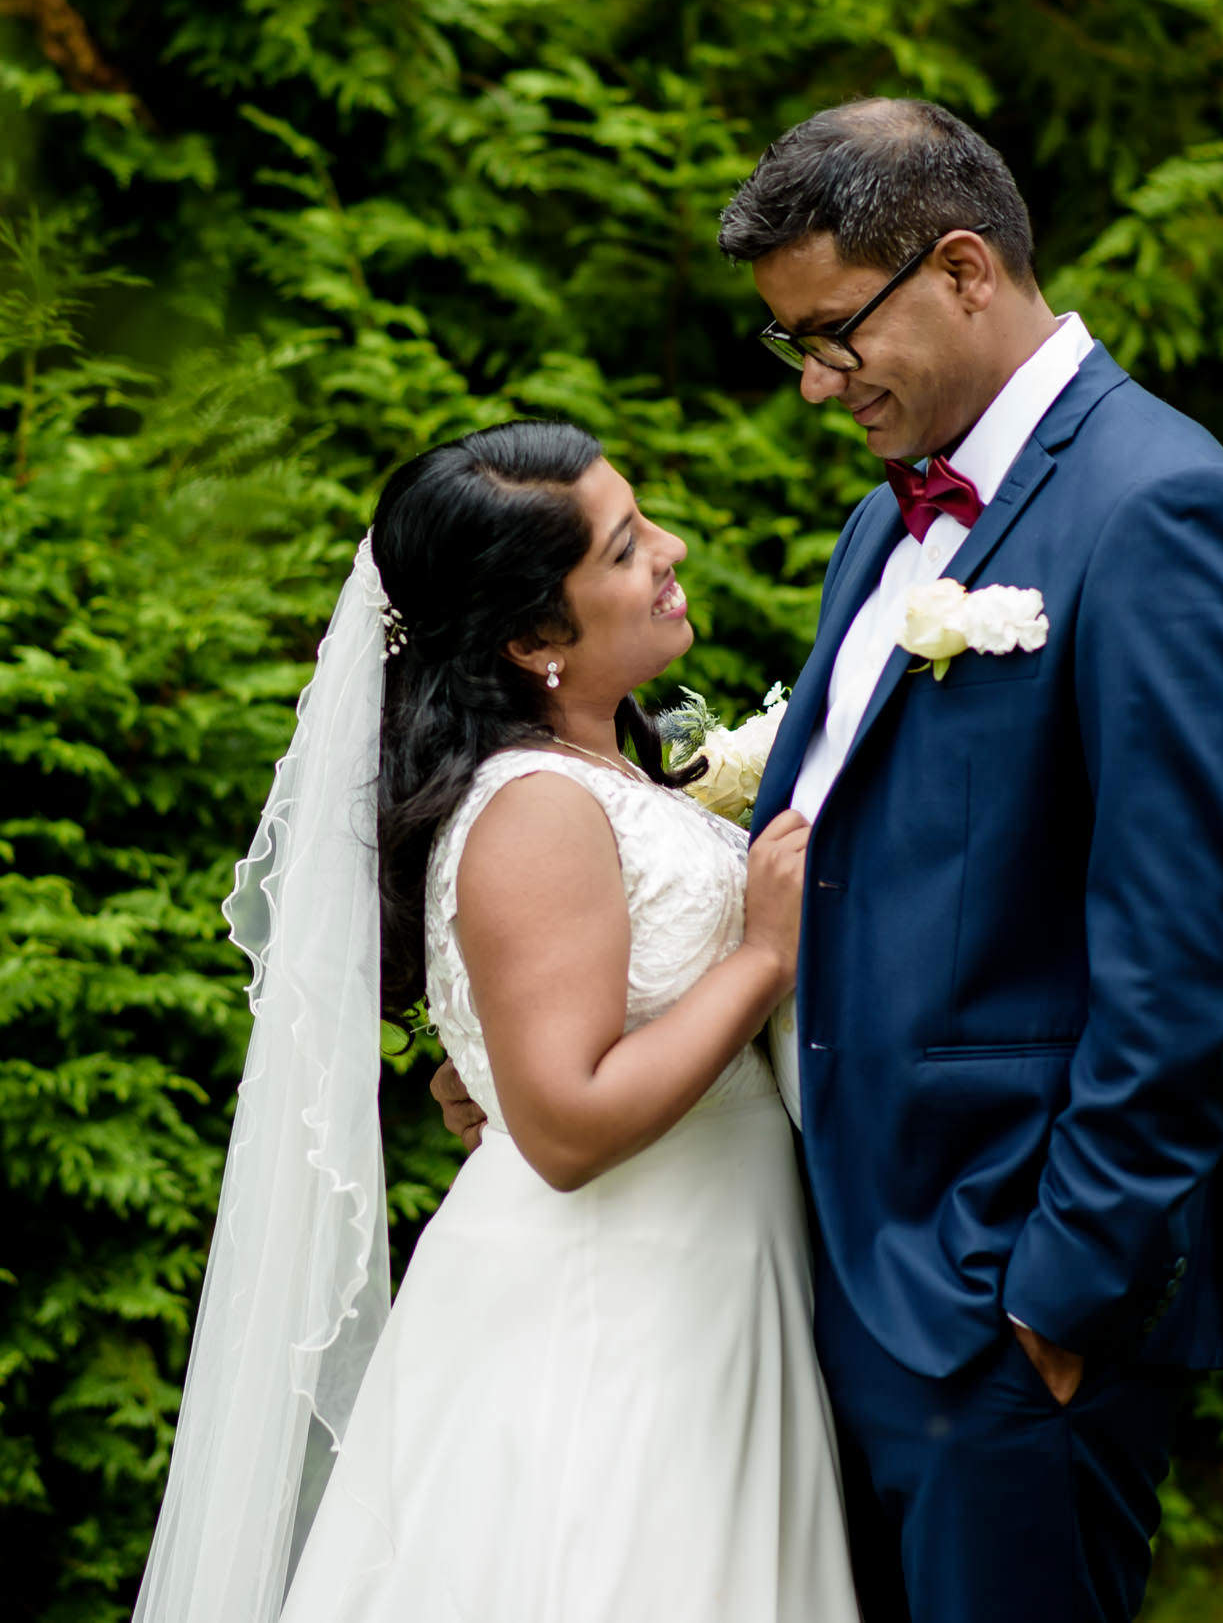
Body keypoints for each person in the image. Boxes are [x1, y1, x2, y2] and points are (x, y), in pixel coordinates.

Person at [439, 98, 1223, 1622]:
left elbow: (1187, 958)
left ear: (965, 269)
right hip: (836, 1271)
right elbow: (858, 864)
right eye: (795, 346)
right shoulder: (882, 527)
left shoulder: (1162, 512)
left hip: (1003, 1298)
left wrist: (1061, 1294)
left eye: (834, 337)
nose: (816, 385)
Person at [133, 422, 861, 1623]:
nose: (671, 551)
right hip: (617, 1311)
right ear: (533, 640)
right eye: (626, 550)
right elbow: (568, 1128)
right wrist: (766, 954)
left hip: (701, 1278)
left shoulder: (599, 778)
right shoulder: (535, 806)